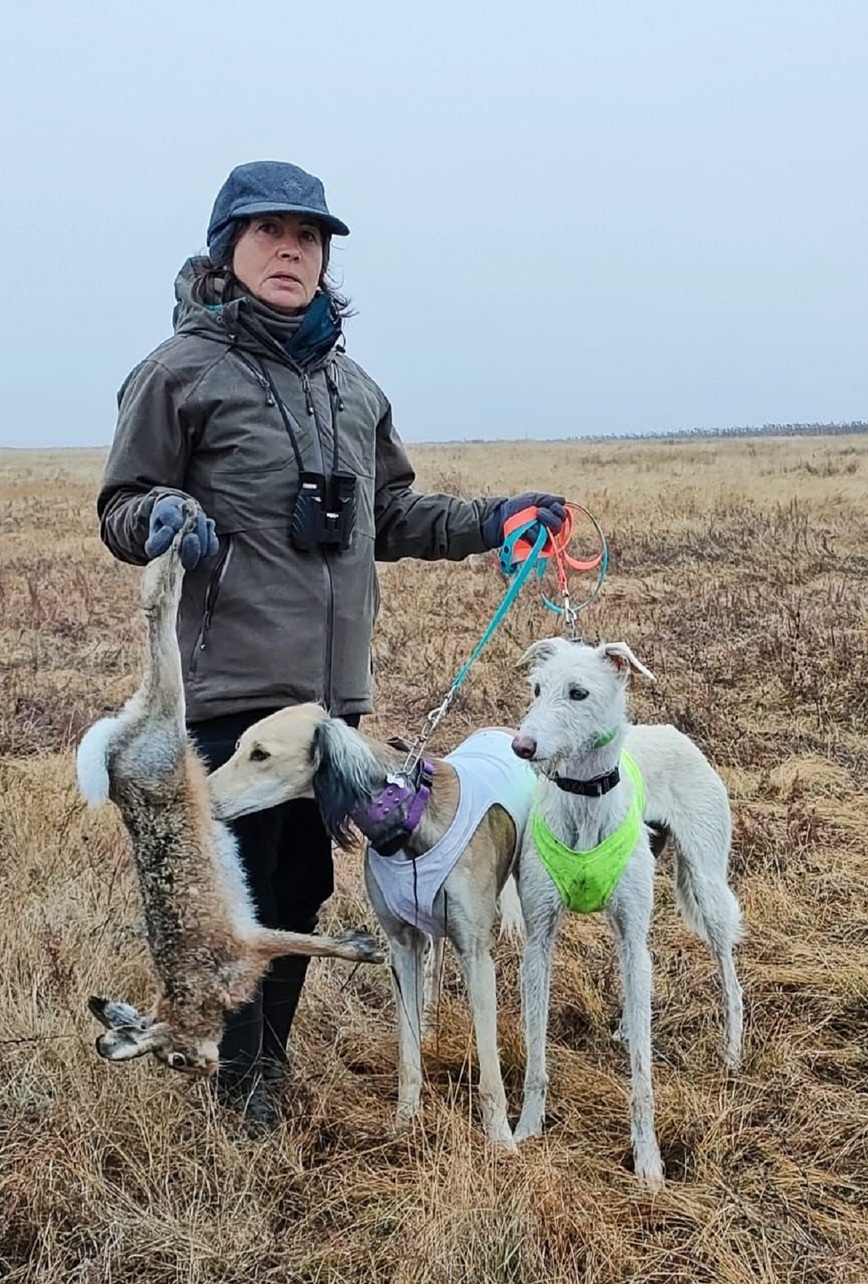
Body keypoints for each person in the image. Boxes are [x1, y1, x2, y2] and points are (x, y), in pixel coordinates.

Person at [98, 160, 565, 1131]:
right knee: (238, 882)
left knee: (305, 882)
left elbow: (391, 513)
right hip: (230, 686)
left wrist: (496, 517)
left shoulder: (354, 388)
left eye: (308, 237)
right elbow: (120, 504)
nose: (291, 250)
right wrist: (159, 519)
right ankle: (241, 1079)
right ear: (227, 248)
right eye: (269, 233)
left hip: (329, 704)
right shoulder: (176, 372)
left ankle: (256, 1063)